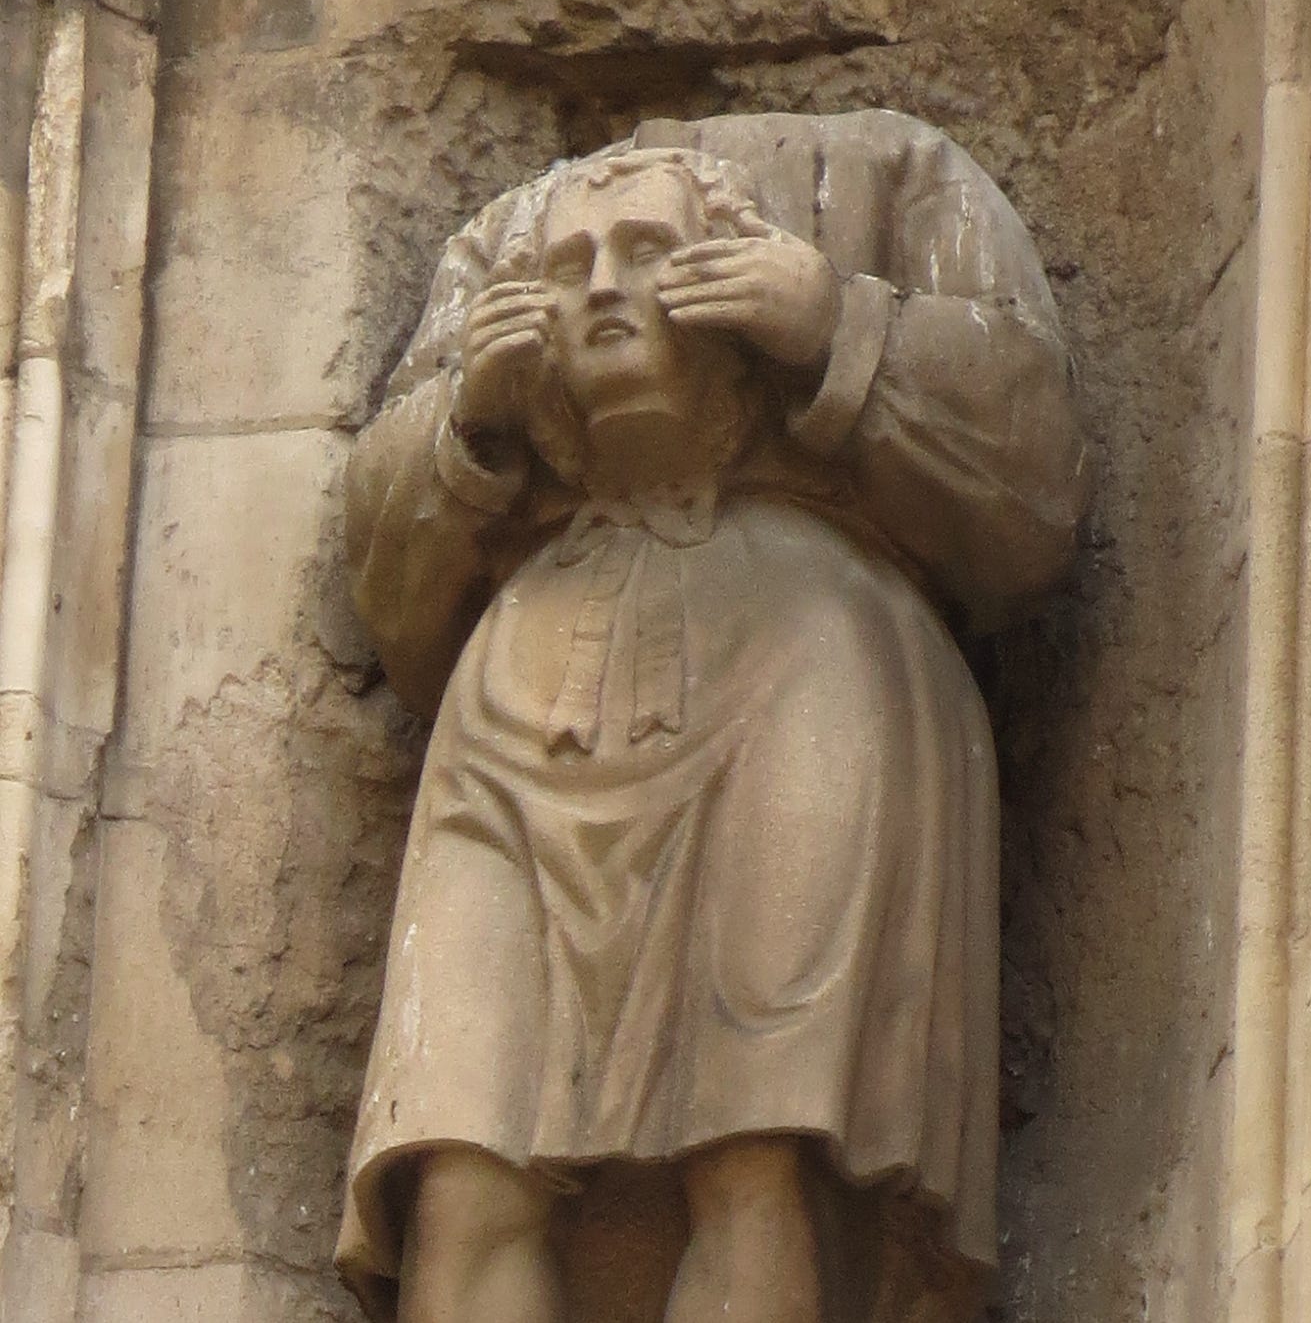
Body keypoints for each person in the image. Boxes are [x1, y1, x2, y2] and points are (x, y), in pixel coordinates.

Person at [335, 111, 1089, 1323]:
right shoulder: (484, 257)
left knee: (757, 1156)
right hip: (520, 702)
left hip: (806, 665)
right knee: (463, 1168)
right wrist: (464, 424)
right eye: (571, 266)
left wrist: (839, 328)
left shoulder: (899, 176)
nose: (604, 288)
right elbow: (382, 586)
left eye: (647, 251)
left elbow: (1037, 490)